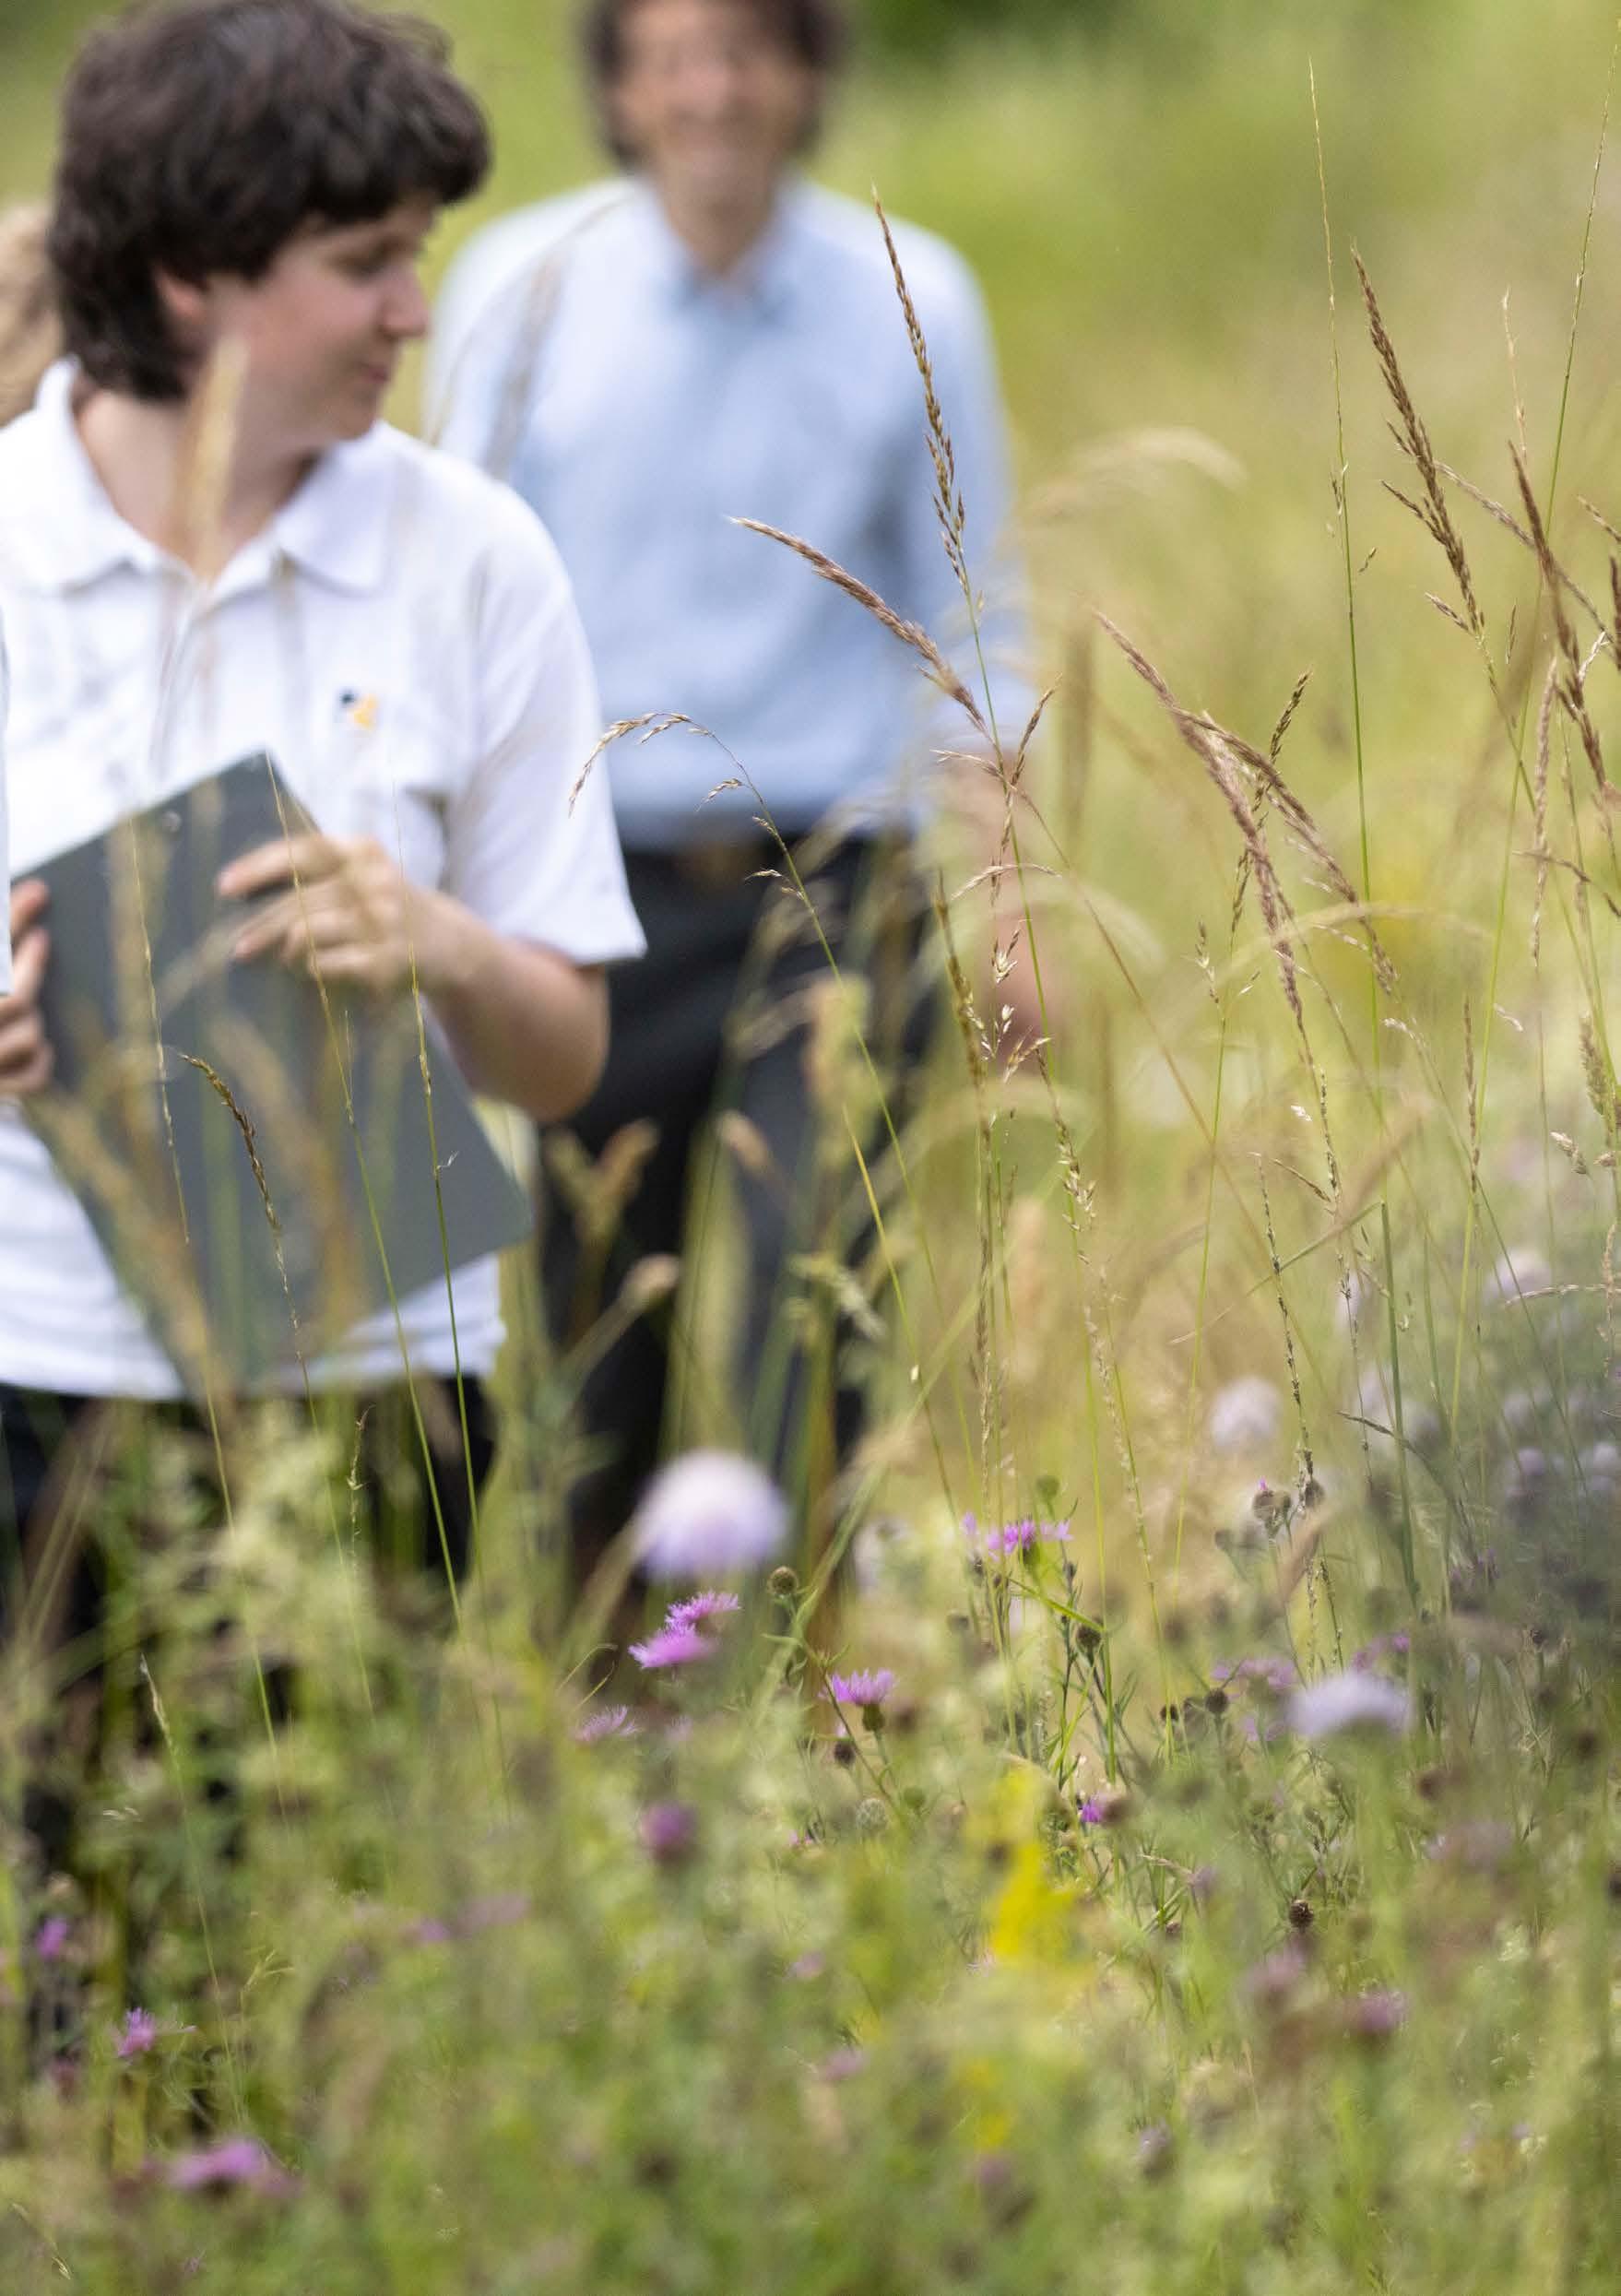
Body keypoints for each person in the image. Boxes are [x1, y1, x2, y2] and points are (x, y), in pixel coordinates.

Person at [0, 0, 645, 1650]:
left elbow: (563, 1062)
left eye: (414, 254)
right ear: (188, 274)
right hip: (30, 1376)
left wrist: (436, 944)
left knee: (362, 1831)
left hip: (383, 1394)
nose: (413, 310)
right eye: (365, 262)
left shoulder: (477, 560)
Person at [431, 0, 1030, 1569]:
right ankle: (600, 1681)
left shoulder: (911, 293)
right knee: (590, 1339)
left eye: (745, 50)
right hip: (589, 889)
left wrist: (1013, 908)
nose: (710, 90)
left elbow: (973, 620)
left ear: (805, 74)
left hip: (831, 890)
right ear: (621, 89)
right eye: (671, 56)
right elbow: (447, 617)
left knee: (809, 1311)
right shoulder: (521, 285)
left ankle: (806, 1686)